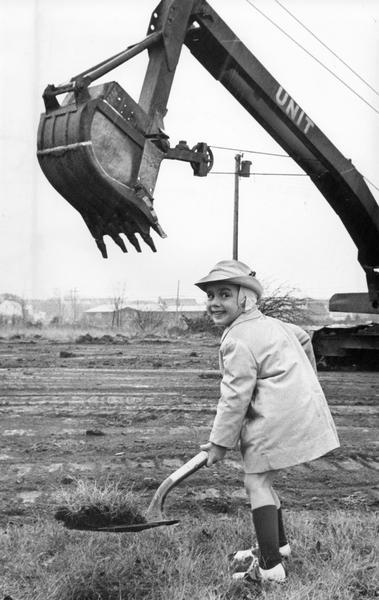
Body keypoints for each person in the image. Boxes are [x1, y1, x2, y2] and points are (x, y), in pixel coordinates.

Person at [195, 259, 340, 584]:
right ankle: (280, 546)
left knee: (256, 483)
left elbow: (235, 397)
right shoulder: (272, 324)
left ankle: (271, 568)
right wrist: (305, 381)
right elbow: (303, 338)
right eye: (210, 296)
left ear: (245, 298)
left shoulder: (238, 339)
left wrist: (219, 443)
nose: (215, 303)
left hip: (276, 419)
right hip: (297, 412)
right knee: (264, 481)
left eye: (224, 295)